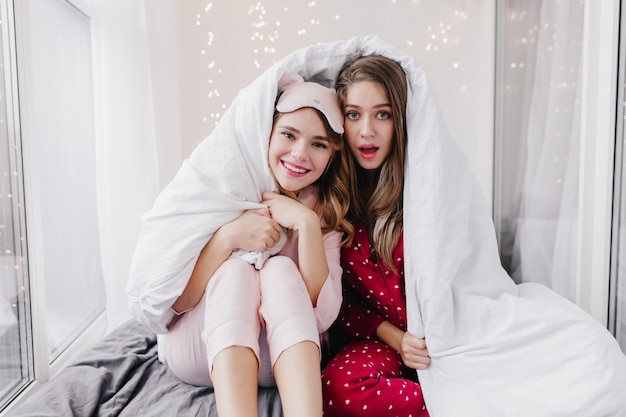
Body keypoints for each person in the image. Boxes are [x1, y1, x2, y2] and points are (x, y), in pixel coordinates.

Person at [129, 75, 353, 417]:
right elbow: (177, 301)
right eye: (289, 135)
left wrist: (307, 224)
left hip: (276, 356)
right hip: (200, 348)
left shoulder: (324, 210)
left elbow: (319, 317)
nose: (299, 154)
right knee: (235, 271)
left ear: (331, 155)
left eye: (318, 144)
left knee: (279, 268)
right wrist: (228, 237)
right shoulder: (225, 186)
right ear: (267, 133)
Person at [321, 55, 431, 417]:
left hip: (442, 338)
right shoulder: (334, 200)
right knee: (338, 387)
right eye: (354, 115)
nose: (367, 130)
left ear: (398, 120)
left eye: (381, 114)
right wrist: (395, 338)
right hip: (379, 338)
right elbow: (341, 302)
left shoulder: (424, 190)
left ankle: (465, 397)